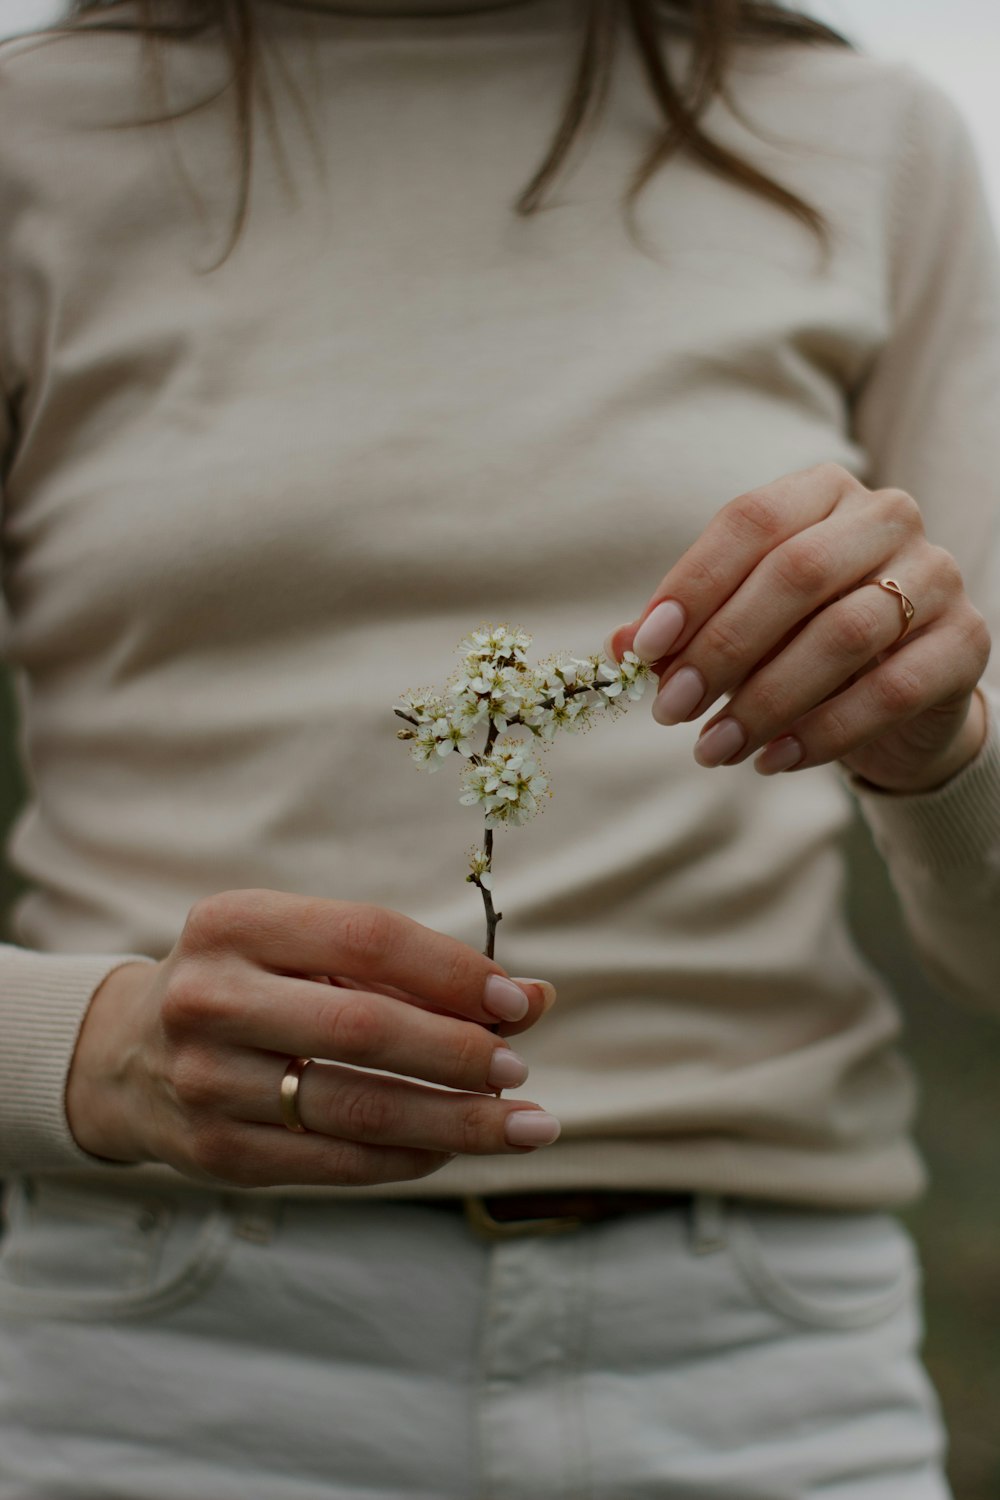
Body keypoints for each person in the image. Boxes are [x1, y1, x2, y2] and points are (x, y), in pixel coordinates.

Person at [0, 0, 997, 1493]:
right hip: (167, 1365)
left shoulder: (864, 142)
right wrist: (93, 1049)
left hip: (762, 1372)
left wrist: (937, 749)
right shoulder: (39, 143)